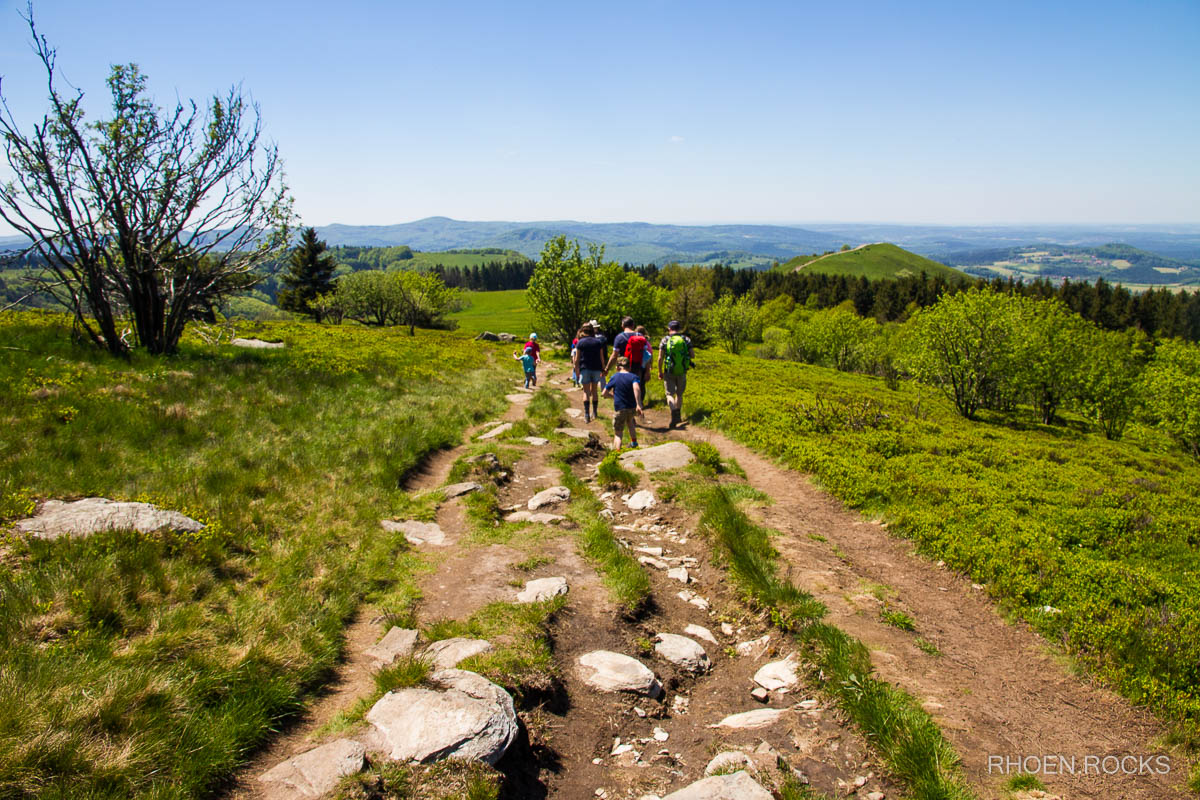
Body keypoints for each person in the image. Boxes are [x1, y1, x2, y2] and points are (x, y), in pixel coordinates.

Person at [658, 319, 694, 428]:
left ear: (669, 329)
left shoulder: (665, 340)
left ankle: (673, 413)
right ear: (679, 329)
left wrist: (660, 371)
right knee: (679, 394)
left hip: (669, 371)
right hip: (682, 370)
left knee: (669, 394)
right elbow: (692, 355)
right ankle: (678, 415)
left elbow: (660, 357)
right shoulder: (686, 339)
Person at [602, 356, 644, 449]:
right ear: (629, 367)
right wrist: (638, 404)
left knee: (618, 433)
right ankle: (634, 443)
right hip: (632, 408)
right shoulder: (634, 377)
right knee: (630, 422)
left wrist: (612, 396)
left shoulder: (614, 377)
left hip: (620, 408)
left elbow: (604, 393)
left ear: (617, 367)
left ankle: (617, 453)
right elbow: (636, 388)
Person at [572, 322, 608, 422]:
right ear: (592, 330)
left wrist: (577, 371)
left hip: (585, 369)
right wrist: (604, 368)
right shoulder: (598, 342)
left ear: (582, 330)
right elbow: (601, 358)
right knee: (595, 391)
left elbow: (577, 359)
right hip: (596, 369)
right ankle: (595, 413)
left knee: (586, 392)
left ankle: (587, 415)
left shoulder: (580, 342)